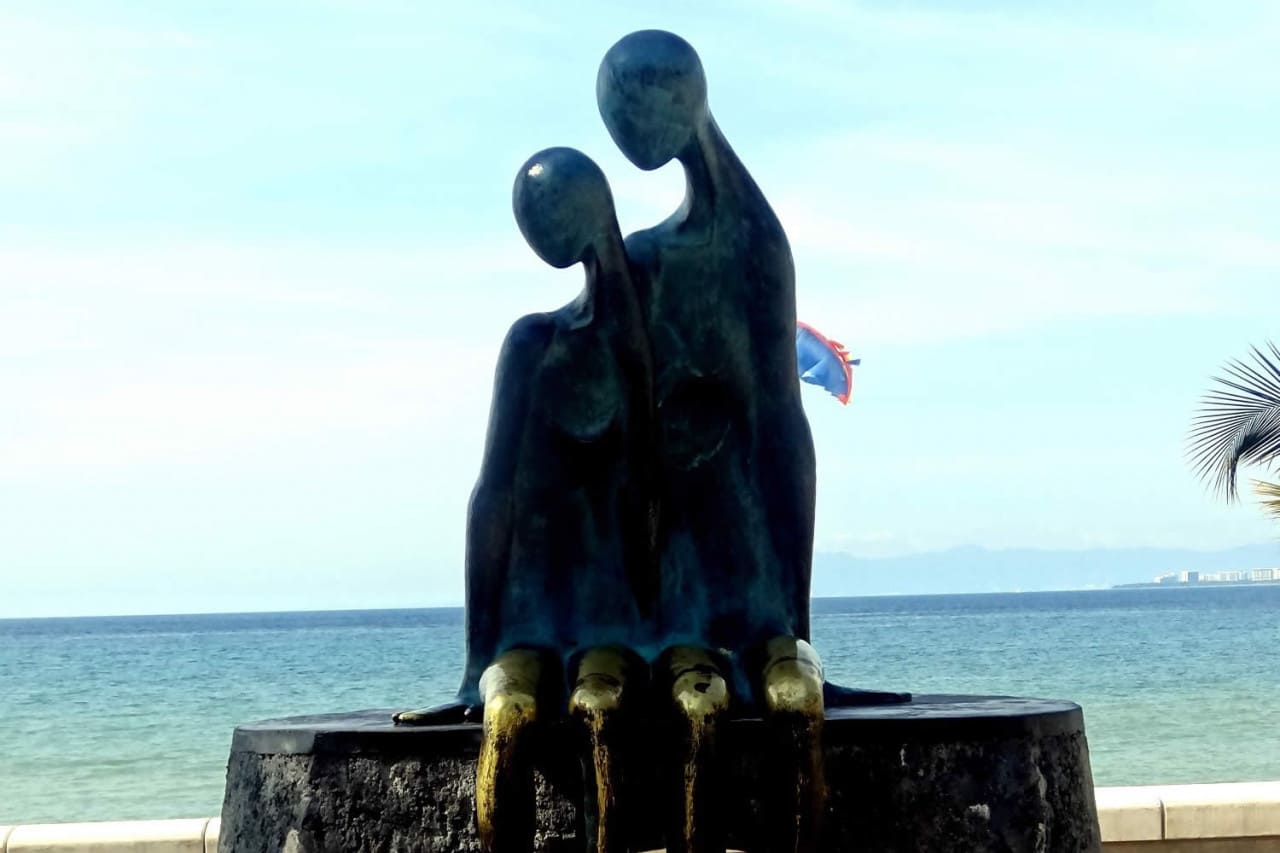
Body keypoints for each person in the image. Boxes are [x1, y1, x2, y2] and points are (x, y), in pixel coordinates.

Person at [396, 146, 654, 853]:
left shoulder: (654, 353)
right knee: (506, 712)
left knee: (600, 712)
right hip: (533, 625)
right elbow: (495, 499)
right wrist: (478, 657)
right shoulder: (535, 342)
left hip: (624, 630)